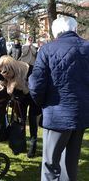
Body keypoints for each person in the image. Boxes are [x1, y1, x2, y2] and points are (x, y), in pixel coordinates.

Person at [29, 16, 89, 181]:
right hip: (81, 113)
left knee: (50, 165)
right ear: (75, 29)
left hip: (56, 114)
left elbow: (35, 85)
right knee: (70, 162)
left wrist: (42, 104)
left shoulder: (47, 49)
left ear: (55, 32)